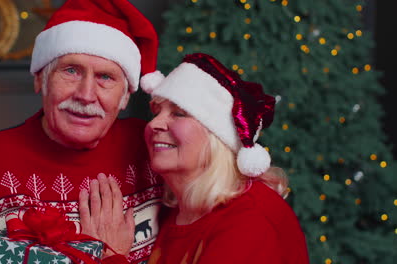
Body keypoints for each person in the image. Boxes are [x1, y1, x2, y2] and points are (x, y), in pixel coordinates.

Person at [0, 0, 164, 263]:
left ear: (125, 96)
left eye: (105, 77)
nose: (86, 95)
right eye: (71, 71)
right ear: (40, 78)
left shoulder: (153, 150)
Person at [80, 53, 310, 263]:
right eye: (157, 112)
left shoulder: (250, 221)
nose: (154, 124)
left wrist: (111, 256)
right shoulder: (181, 211)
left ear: (218, 137)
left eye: (178, 113)